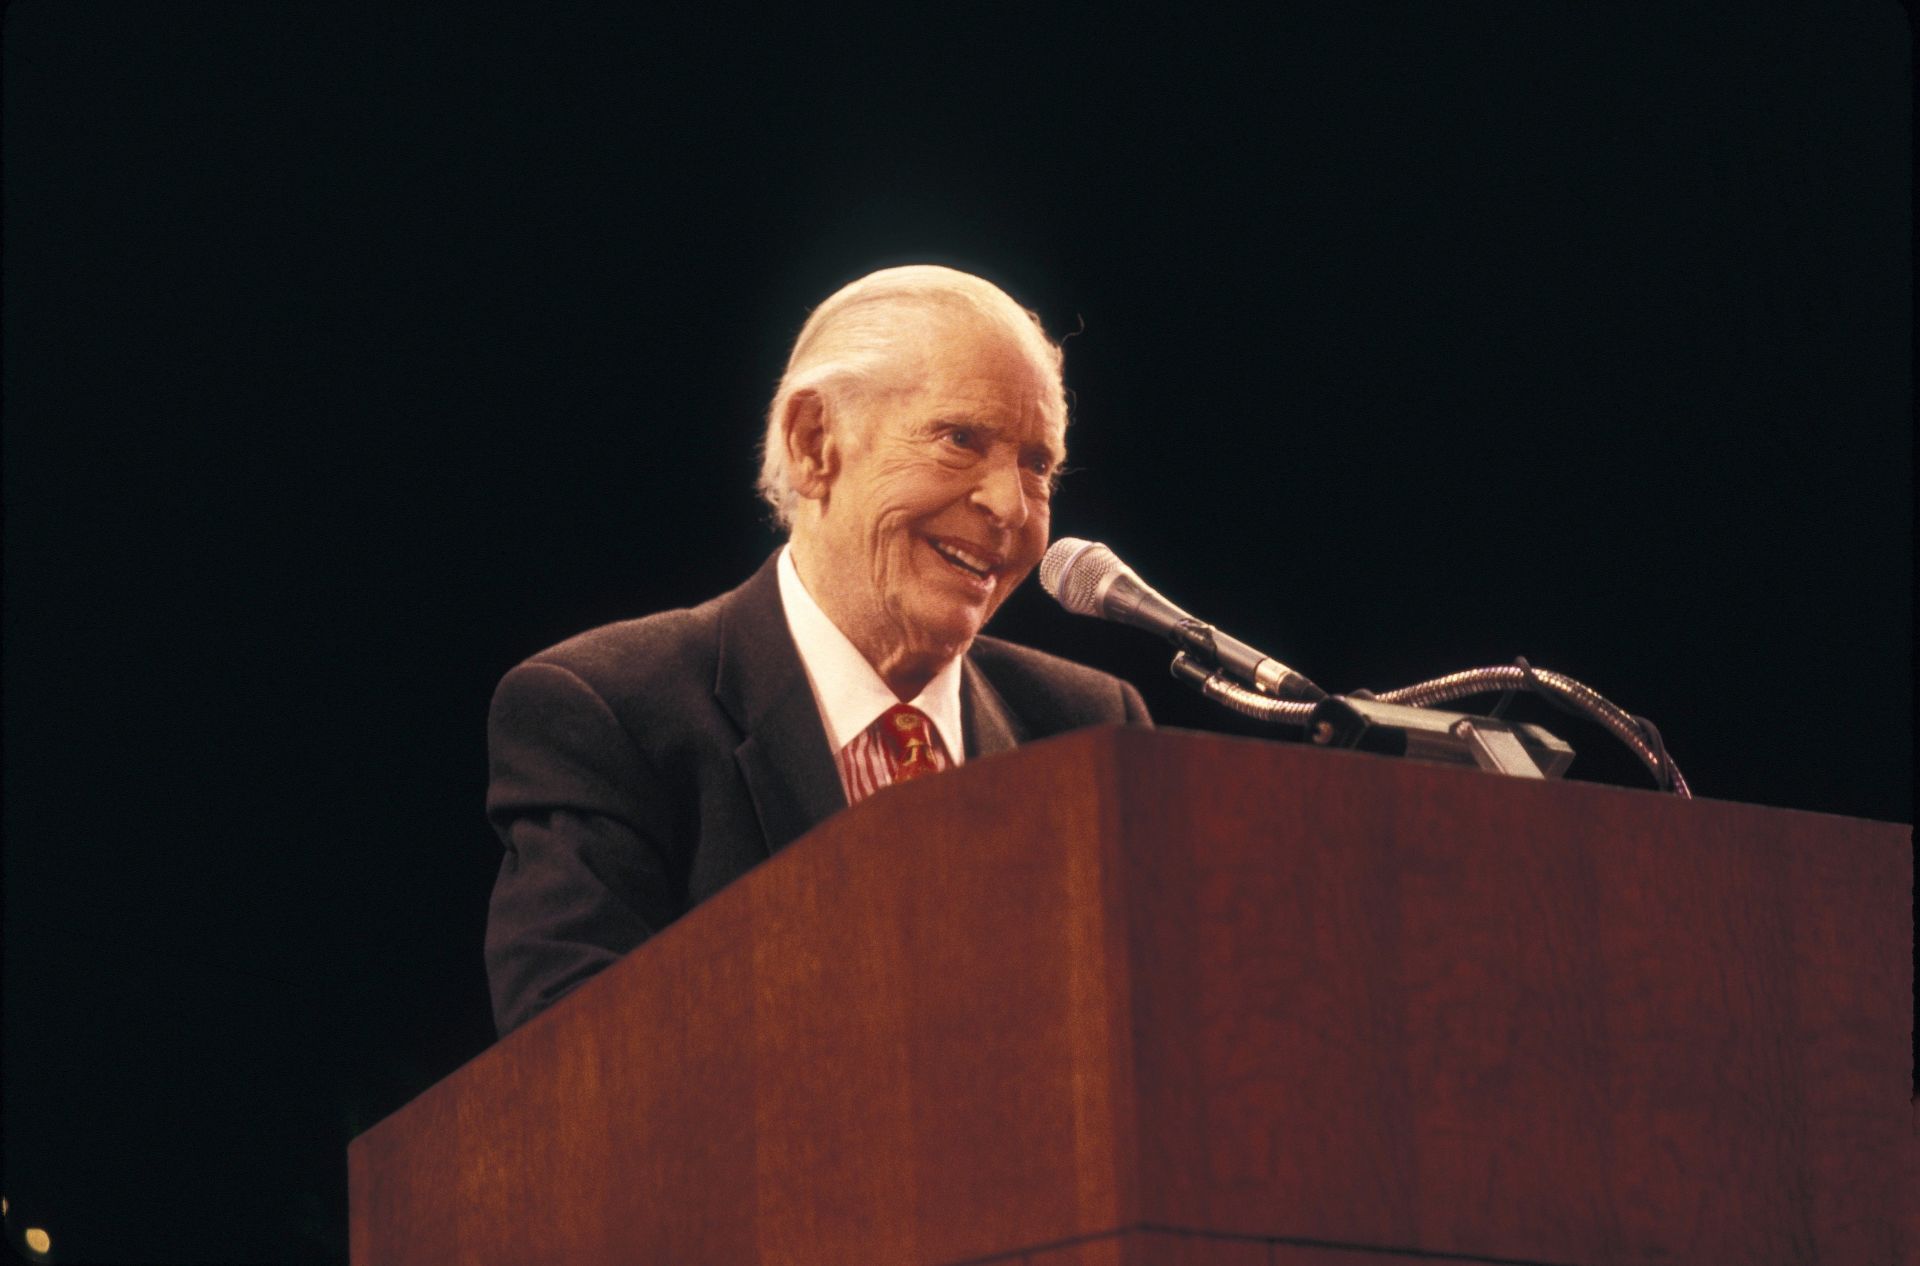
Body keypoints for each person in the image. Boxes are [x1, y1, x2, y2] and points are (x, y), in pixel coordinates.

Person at [482, 265, 1151, 1036]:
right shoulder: (609, 714)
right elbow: (573, 1079)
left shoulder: (1090, 729)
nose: (1010, 505)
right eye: (960, 439)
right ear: (814, 443)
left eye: (1038, 464)